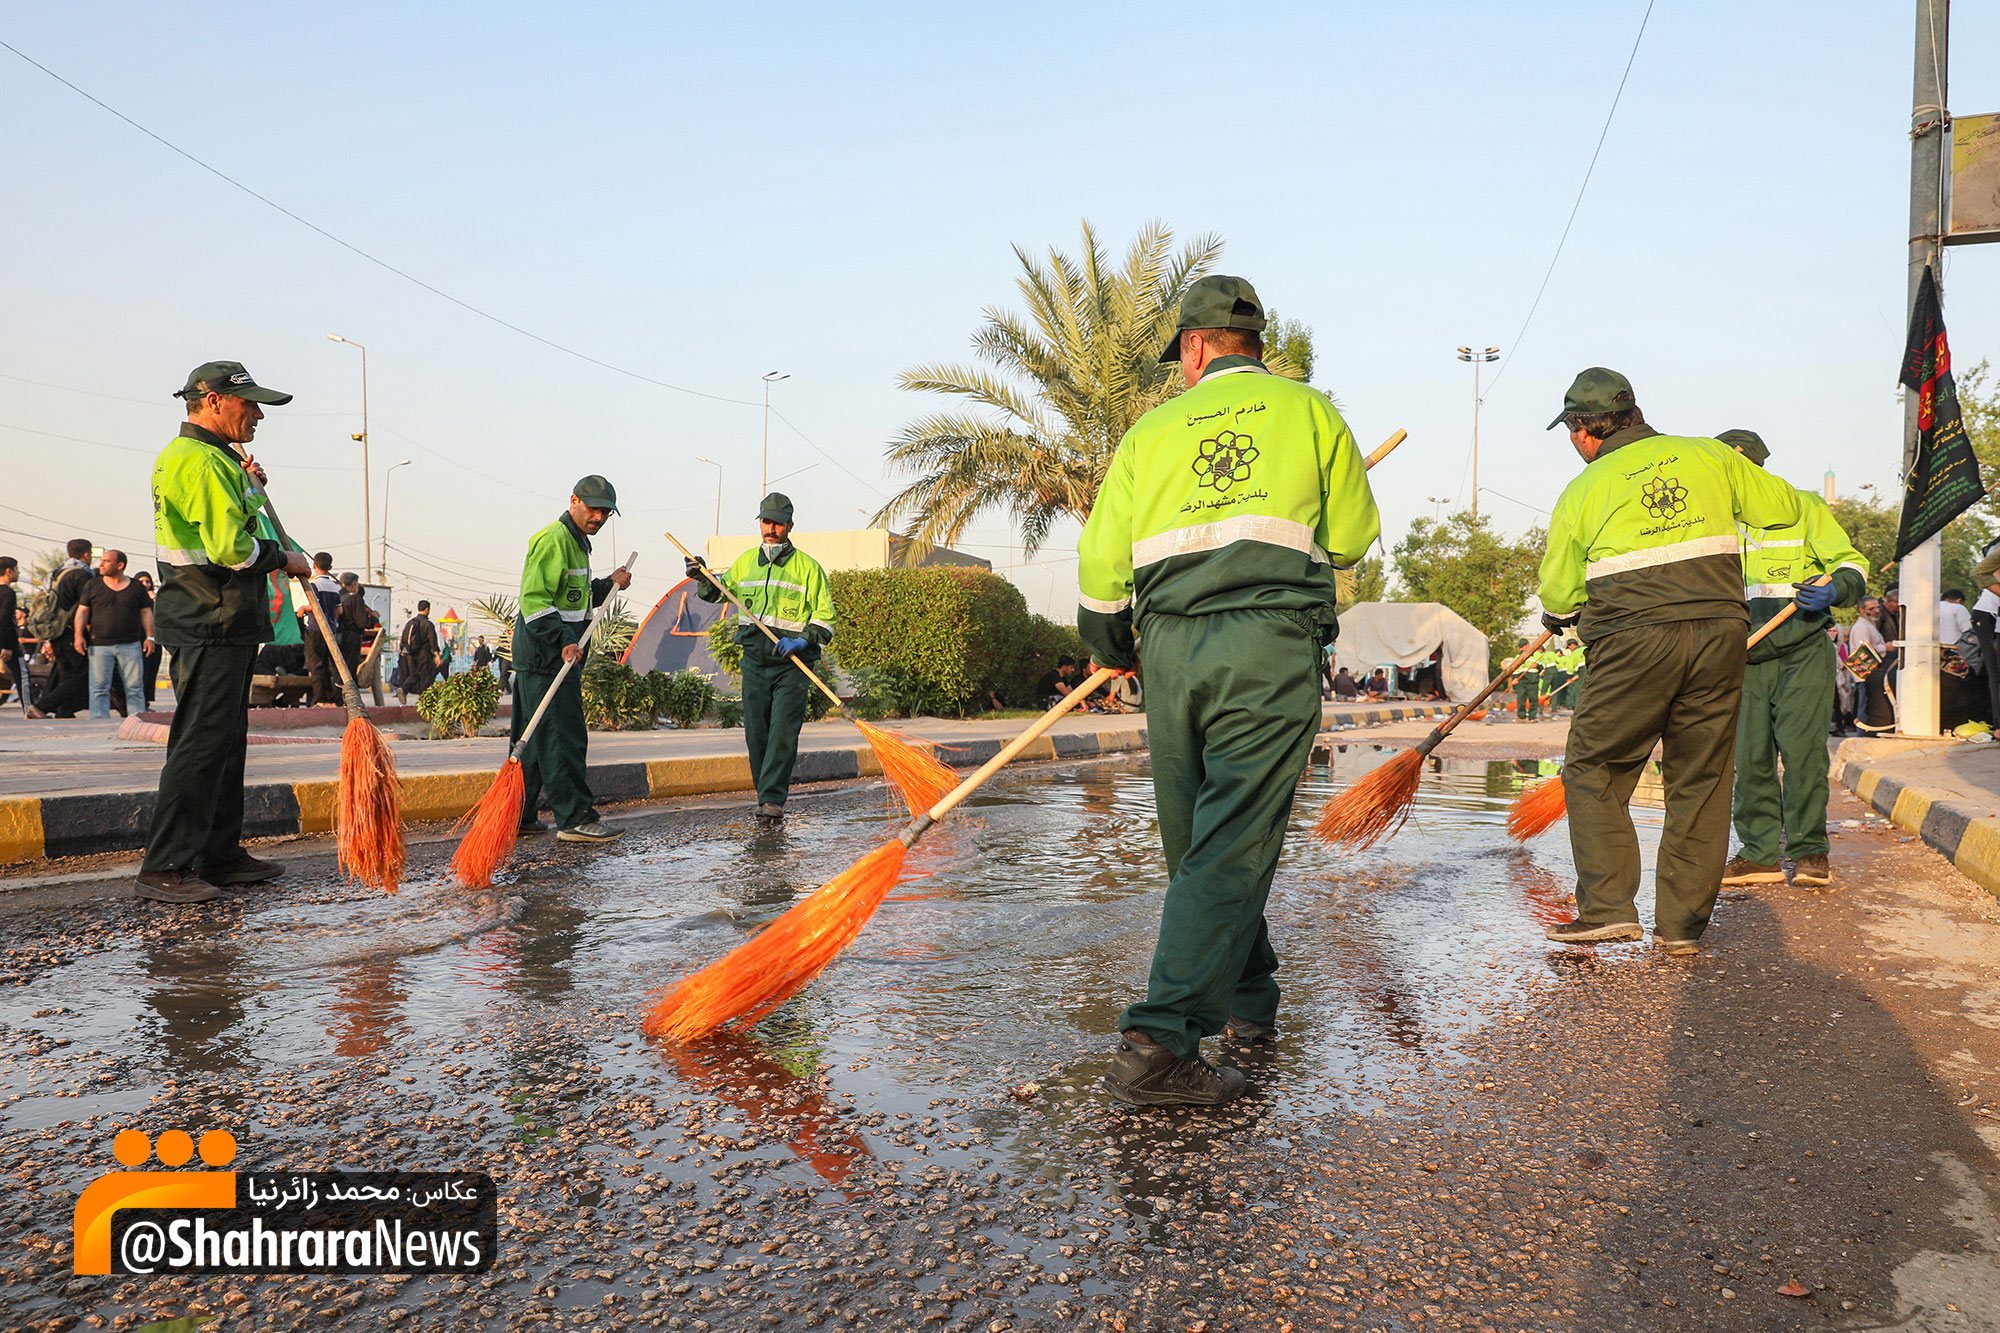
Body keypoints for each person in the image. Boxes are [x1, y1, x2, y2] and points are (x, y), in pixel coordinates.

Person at [1076, 274, 1380, 1105]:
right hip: (1266, 644)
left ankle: (1251, 1004)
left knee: (1199, 843)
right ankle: (1157, 1043)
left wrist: (1110, 640)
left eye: (1179, 352)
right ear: (1249, 342)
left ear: (1197, 346)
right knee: (1231, 842)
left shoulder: (1150, 432)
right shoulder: (1311, 412)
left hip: (1172, 650)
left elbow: (1103, 566)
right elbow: (1352, 535)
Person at [1536, 369, 1802, 955]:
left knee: (1595, 767)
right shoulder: (1710, 455)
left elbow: (1559, 595)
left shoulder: (1583, 488)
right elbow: (1782, 509)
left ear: (1584, 430)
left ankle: (1607, 909)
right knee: (1701, 777)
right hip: (1720, 631)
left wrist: (1563, 612)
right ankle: (1680, 928)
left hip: (1633, 640)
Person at [139, 361, 313, 903]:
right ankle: (166, 865)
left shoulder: (210, 459)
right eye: (249, 403)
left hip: (221, 620)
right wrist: (286, 558)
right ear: (212, 400)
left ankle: (219, 853)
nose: (258, 413)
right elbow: (231, 548)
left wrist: (251, 486)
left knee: (225, 744)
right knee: (200, 745)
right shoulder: (203, 462)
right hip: (208, 618)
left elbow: (233, 523)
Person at [1712, 429, 1867, 891]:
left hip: (1802, 652)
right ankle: (1758, 854)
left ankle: (1809, 852)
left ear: (1756, 468)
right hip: (1740, 660)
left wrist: (1836, 589)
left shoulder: (1803, 506)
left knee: (1802, 758)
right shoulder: (1711, 523)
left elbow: (1851, 564)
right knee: (1750, 759)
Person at [690, 491, 836, 831]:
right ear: (761, 523)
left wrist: (803, 640)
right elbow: (717, 591)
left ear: (790, 525)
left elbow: (825, 618)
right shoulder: (744, 563)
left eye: (778, 524)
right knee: (757, 733)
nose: (771, 529)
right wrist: (700, 576)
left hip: (792, 664)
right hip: (754, 660)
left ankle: (772, 799)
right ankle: (764, 795)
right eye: (766, 522)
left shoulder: (809, 569)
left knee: (782, 733)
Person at [512, 476, 632, 842]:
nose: (598, 517)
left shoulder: (578, 544)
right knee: (563, 738)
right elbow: (535, 602)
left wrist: (607, 584)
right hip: (548, 657)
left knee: (533, 741)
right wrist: (564, 641)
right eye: (592, 508)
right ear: (574, 501)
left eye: (605, 512)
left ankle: (520, 813)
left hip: (552, 655)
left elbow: (572, 597)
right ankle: (575, 818)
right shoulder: (554, 540)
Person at [75, 548, 154, 719]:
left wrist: (150, 637)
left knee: (134, 686)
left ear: (120, 565)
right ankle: (99, 721)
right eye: (101, 560)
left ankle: (136, 720)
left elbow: (146, 612)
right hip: (99, 645)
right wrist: (78, 636)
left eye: (106, 561)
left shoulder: (136, 587)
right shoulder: (93, 585)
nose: (101, 564)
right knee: (99, 687)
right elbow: (82, 612)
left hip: (131, 644)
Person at [27, 539, 95, 718]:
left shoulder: (57, 573)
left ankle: (64, 710)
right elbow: (85, 606)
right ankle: (42, 706)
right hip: (72, 631)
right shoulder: (81, 575)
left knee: (66, 673)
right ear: (87, 555)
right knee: (81, 673)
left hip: (55, 630)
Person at [302, 553, 340, 705]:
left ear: (314, 566)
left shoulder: (314, 585)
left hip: (316, 629)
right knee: (327, 665)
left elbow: (314, 606)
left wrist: (303, 608)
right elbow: (339, 611)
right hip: (331, 629)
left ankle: (319, 699)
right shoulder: (334, 586)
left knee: (316, 665)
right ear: (330, 567)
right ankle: (331, 699)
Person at [397, 601, 441, 700]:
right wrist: (437, 654)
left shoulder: (411, 622)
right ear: (427, 609)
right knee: (425, 676)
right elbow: (432, 640)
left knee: (414, 674)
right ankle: (423, 699)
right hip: (423, 654)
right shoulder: (428, 624)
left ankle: (404, 690)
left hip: (410, 654)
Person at [336, 573, 375, 683]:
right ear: (354, 584)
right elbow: (362, 622)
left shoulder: (338, 597)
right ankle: (349, 697)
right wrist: (373, 619)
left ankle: (338, 697)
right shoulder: (355, 599)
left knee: (339, 669)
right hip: (351, 637)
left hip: (338, 636)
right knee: (349, 668)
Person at [132, 570, 162, 707]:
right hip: (137, 639)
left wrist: (154, 599)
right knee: (140, 672)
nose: (145, 584)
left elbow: (161, 616)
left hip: (154, 640)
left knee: (151, 672)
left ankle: (146, 701)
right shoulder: (132, 597)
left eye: (147, 581)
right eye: (141, 581)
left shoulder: (155, 599)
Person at [0, 557, 18, 708]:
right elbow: (5, 619)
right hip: (7, 642)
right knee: (22, 676)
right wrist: (6, 646)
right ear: (9, 571)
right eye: (16, 569)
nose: (18, 573)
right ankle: (30, 709)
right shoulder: (8, 593)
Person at [1511, 638, 1539, 721]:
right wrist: (1514, 679)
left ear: (1527, 645)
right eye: (1519, 647)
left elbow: (1543, 667)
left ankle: (1532, 717)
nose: (1520, 649)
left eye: (1522, 647)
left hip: (1532, 681)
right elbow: (1515, 670)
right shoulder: (1518, 657)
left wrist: (1537, 665)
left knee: (1533, 699)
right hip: (1521, 681)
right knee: (1521, 699)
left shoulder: (1536, 655)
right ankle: (1521, 716)